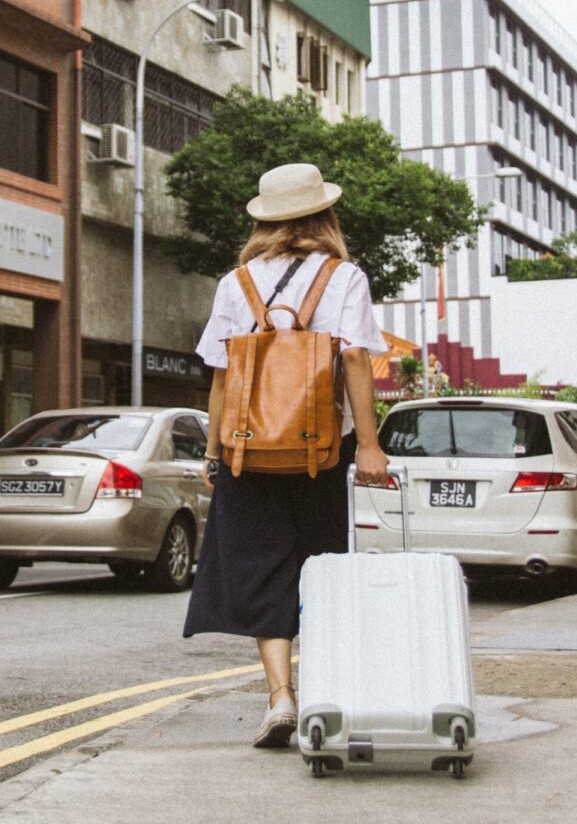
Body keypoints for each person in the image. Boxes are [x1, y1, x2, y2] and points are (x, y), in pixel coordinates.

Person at [183, 162, 390, 749]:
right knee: (318, 566)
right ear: (324, 215)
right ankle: (321, 689)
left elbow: (222, 373)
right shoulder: (344, 276)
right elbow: (354, 360)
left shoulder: (237, 282)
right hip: (317, 451)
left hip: (248, 449)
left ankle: (280, 697)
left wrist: (215, 452)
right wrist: (370, 445)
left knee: (259, 566)